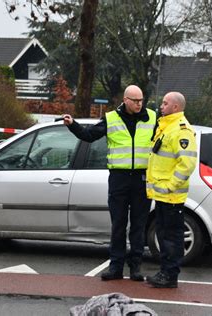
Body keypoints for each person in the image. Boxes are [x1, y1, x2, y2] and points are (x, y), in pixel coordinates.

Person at [62, 85, 156, 282]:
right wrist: (73, 125)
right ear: (126, 99)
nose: (139, 104)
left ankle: (136, 267)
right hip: (119, 179)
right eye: (135, 101)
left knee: (139, 226)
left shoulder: (152, 118)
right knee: (118, 225)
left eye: (141, 100)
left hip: (141, 178)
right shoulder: (112, 118)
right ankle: (116, 267)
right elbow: (89, 135)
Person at [145, 92, 197, 288]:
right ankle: (165, 272)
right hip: (162, 195)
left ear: (176, 107)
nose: (162, 106)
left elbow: (187, 164)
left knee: (171, 238)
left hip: (171, 195)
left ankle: (170, 275)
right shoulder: (166, 126)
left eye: (166, 103)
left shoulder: (181, 130)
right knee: (163, 236)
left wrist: (170, 186)